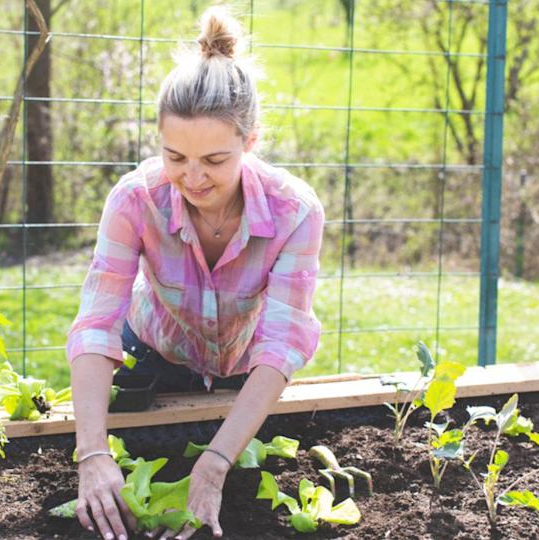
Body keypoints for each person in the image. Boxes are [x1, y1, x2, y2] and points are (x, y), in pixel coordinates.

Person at [66, 6, 324, 539]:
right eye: (175, 155)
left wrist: (214, 463)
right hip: (154, 350)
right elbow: (96, 322)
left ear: (250, 144)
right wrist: (91, 452)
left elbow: (281, 344)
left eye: (215, 159)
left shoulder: (294, 211)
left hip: (242, 366)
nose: (192, 177)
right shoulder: (136, 199)